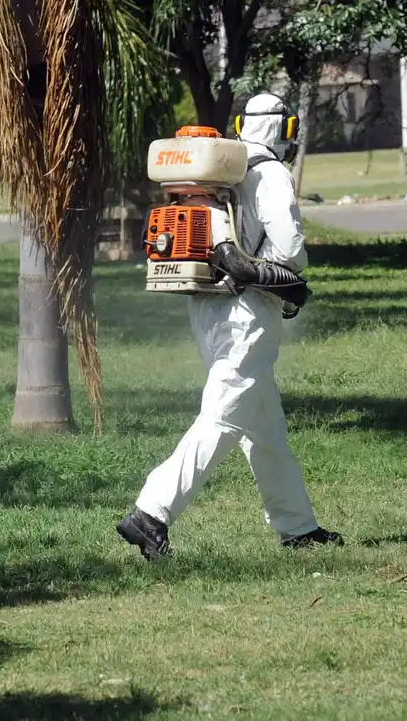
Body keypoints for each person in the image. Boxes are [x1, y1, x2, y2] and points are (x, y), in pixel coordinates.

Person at [117, 93, 342, 560]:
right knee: (221, 418)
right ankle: (151, 512)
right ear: (288, 129)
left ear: (241, 125)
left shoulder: (221, 171)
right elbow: (291, 250)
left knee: (263, 427)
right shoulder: (270, 173)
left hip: (207, 307)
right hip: (249, 310)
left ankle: (297, 526)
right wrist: (289, 279)